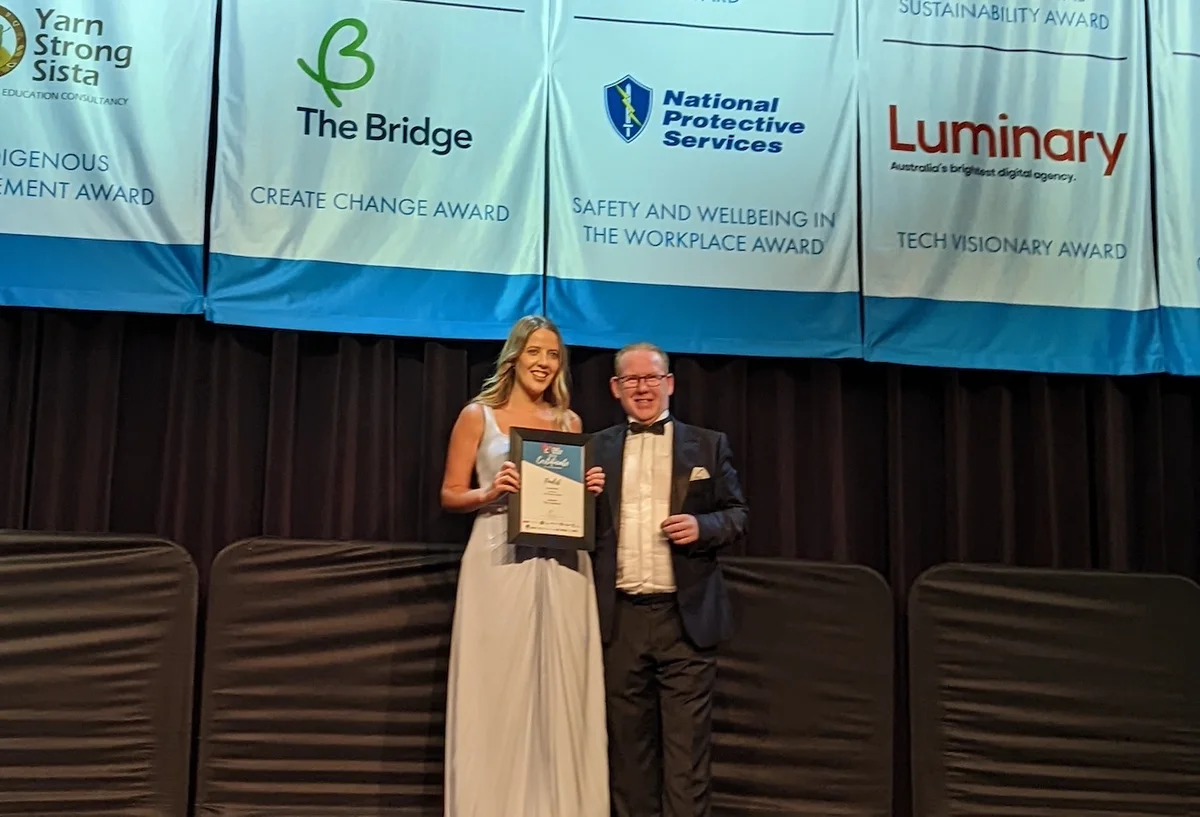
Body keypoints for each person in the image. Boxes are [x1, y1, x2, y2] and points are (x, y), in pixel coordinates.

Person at [440, 315, 609, 817]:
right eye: (535, 352)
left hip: (562, 562)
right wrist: (489, 492)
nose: (543, 363)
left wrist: (587, 490)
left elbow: (566, 500)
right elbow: (450, 494)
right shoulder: (479, 415)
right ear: (514, 356)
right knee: (497, 686)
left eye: (553, 355)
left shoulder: (568, 423)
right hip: (497, 558)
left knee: (564, 687)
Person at [590, 341, 748, 817]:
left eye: (652, 378)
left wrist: (704, 528)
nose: (643, 388)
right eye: (632, 380)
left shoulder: (707, 443)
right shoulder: (592, 448)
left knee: (687, 758)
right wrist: (579, 497)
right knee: (627, 755)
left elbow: (738, 515)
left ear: (670, 384)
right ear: (616, 388)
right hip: (618, 621)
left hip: (686, 619)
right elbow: (570, 531)